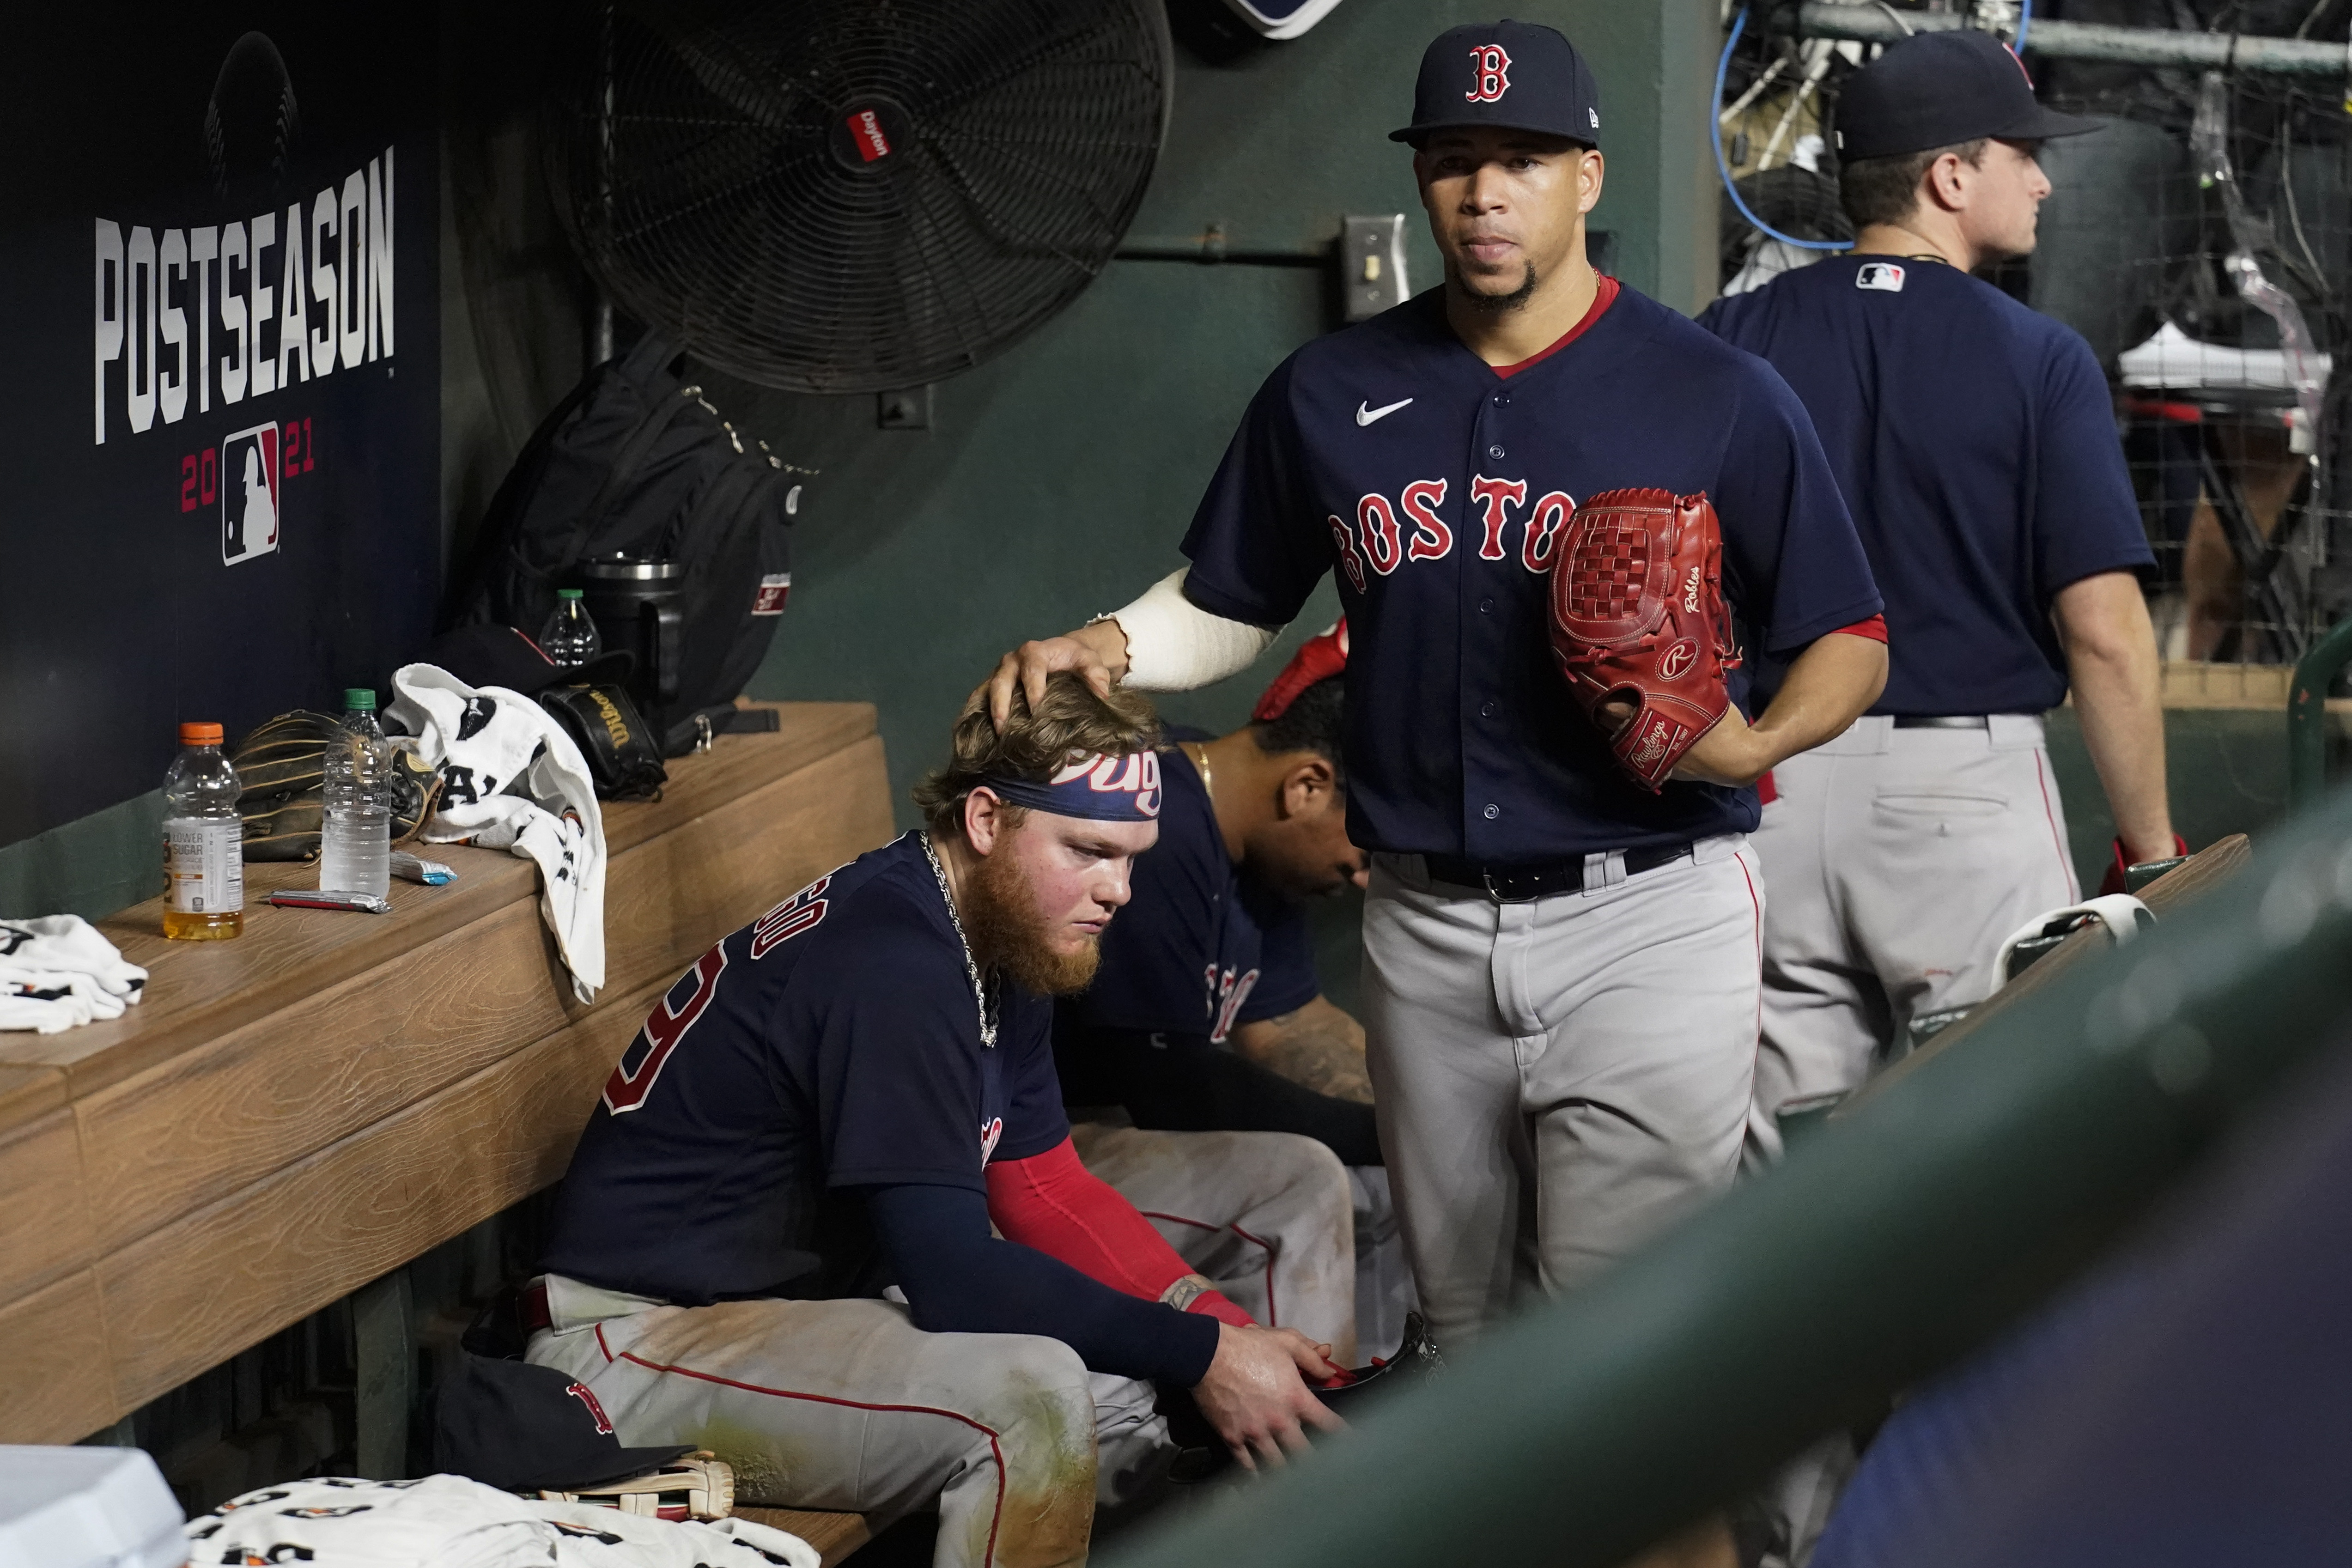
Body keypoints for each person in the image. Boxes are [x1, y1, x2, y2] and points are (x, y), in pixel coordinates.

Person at [985, 18, 1888, 1355]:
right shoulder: (1329, 389)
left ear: (1586, 172)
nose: (1484, 191)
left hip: (1646, 912)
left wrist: (1751, 741)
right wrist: (1109, 646)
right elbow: (1230, 604)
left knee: (1620, 1348)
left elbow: (1850, 635)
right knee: (1461, 1339)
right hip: (1422, 923)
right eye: (1454, 159)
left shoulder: (1715, 394)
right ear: (1422, 181)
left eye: (1519, 157)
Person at [524, 673, 1342, 1568]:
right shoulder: (897, 963)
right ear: (986, 820)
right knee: (1030, 1399)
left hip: (776, 1304)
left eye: (1132, 857)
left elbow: (1041, 1188)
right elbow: (955, 1275)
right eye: (1087, 849)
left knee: (1115, 1389)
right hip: (632, 1343)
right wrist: (1203, 1352)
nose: (1118, 889)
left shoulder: (997, 928)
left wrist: (1218, 1333)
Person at [1698, 28, 2177, 1166]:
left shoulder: (1731, 337)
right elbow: (2103, 635)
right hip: (1961, 797)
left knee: (1794, 1173)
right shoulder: (2037, 355)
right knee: (2012, 1152)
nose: (2043, 177)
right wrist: (2151, 846)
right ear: (1946, 176)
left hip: (1771, 785)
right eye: (2021, 152)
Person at [1055, 622, 1416, 1357]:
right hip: (1045, 1146)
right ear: (1307, 786)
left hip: (1133, 1134)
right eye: (1362, 850)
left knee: (1398, 1181)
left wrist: (1421, 1120)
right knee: (1308, 1179)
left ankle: (1389, 1401)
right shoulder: (1155, 824)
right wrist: (1384, 1136)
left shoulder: (1261, 850)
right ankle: (1320, 1440)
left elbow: (1287, 1026)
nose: (1361, 877)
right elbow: (1166, 1085)